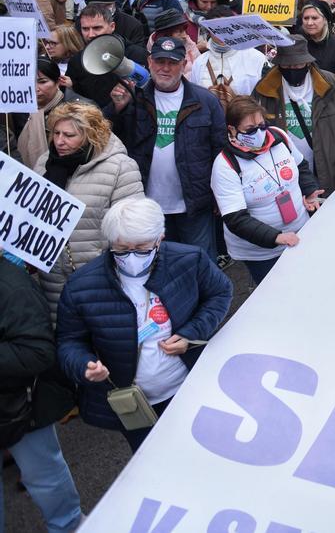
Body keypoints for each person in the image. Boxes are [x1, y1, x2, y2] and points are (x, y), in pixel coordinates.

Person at [55, 196, 232, 451]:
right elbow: (69, 342)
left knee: (210, 451)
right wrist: (84, 366)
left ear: (160, 238)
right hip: (134, 405)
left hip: (190, 386)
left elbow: (220, 292)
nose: (132, 257)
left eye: (142, 248)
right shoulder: (81, 286)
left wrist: (191, 333)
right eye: (122, 249)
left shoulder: (189, 260)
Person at [106, 36, 225, 261]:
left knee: (200, 263)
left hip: (195, 204)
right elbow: (108, 139)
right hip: (147, 204)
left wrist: (220, 196)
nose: (165, 68)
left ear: (183, 64)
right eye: (160, 61)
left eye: (172, 62)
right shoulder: (134, 98)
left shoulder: (205, 101)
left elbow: (220, 151)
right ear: (149, 63)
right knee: (159, 264)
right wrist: (116, 109)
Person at [0, 251, 83, 533]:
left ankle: (70, 527)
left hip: (20, 404)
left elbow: (38, 352)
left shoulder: (12, 286)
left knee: (43, 476)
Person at [35, 100, 142, 315]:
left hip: (100, 278)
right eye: (56, 133)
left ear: (90, 135)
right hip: (51, 278)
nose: (59, 142)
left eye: (69, 135)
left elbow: (132, 229)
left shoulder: (120, 167)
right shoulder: (45, 162)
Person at [212, 97, 322, 285]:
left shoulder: (278, 136)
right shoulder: (224, 165)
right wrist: (276, 237)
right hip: (261, 253)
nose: (259, 133)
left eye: (261, 125)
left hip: (300, 232)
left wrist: (310, 192)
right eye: (250, 129)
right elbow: (236, 219)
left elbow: (300, 165)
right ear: (232, 130)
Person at [249, 35, 335, 195]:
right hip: (283, 179)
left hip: (329, 173)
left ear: (307, 61)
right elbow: (251, 135)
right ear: (279, 64)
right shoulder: (264, 89)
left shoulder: (330, 84)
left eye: (298, 64)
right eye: (287, 65)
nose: (293, 69)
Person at [67, 3, 149, 109]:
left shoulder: (137, 54)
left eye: (97, 28)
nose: (91, 34)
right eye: (85, 29)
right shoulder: (77, 61)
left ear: (112, 27)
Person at [298, 0, 335, 96]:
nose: (309, 23)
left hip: (330, 101)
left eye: (314, 18)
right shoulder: (297, 43)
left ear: (325, 20)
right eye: (306, 18)